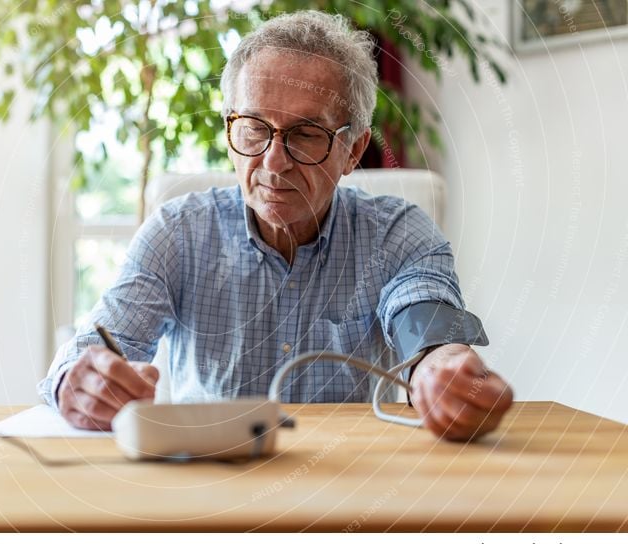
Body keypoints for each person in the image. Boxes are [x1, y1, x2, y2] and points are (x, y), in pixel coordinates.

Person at [38, 10, 513, 441]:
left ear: (354, 149)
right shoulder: (178, 232)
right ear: (229, 128)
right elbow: (96, 344)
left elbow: (426, 323)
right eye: (254, 127)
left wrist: (440, 365)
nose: (273, 162)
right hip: (203, 489)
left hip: (350, 491)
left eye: (306, 135)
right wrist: (77, 380)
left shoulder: (398, 235)